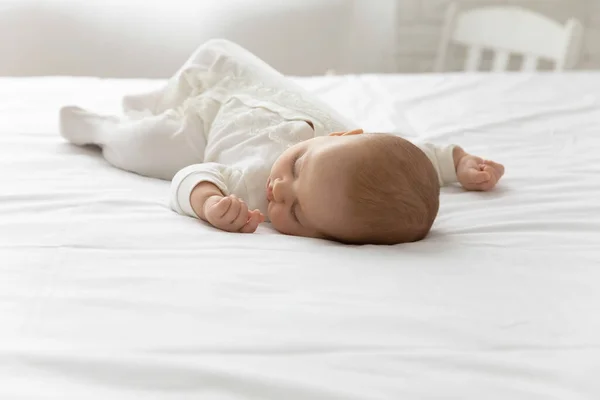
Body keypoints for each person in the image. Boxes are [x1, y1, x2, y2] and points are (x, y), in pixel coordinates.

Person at [60, 39, 504, 245]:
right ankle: (160, 97)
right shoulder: (358, 143)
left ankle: (99, 128)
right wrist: (459, 163)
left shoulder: (252, 187)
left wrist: (207, 201)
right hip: (256, 94)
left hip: (206, 129)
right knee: (217, 50)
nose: (279, 189)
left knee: (147, 146)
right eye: (298, 166)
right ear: (347, 137)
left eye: (295, 212)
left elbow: (191, 175)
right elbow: (421, 157)